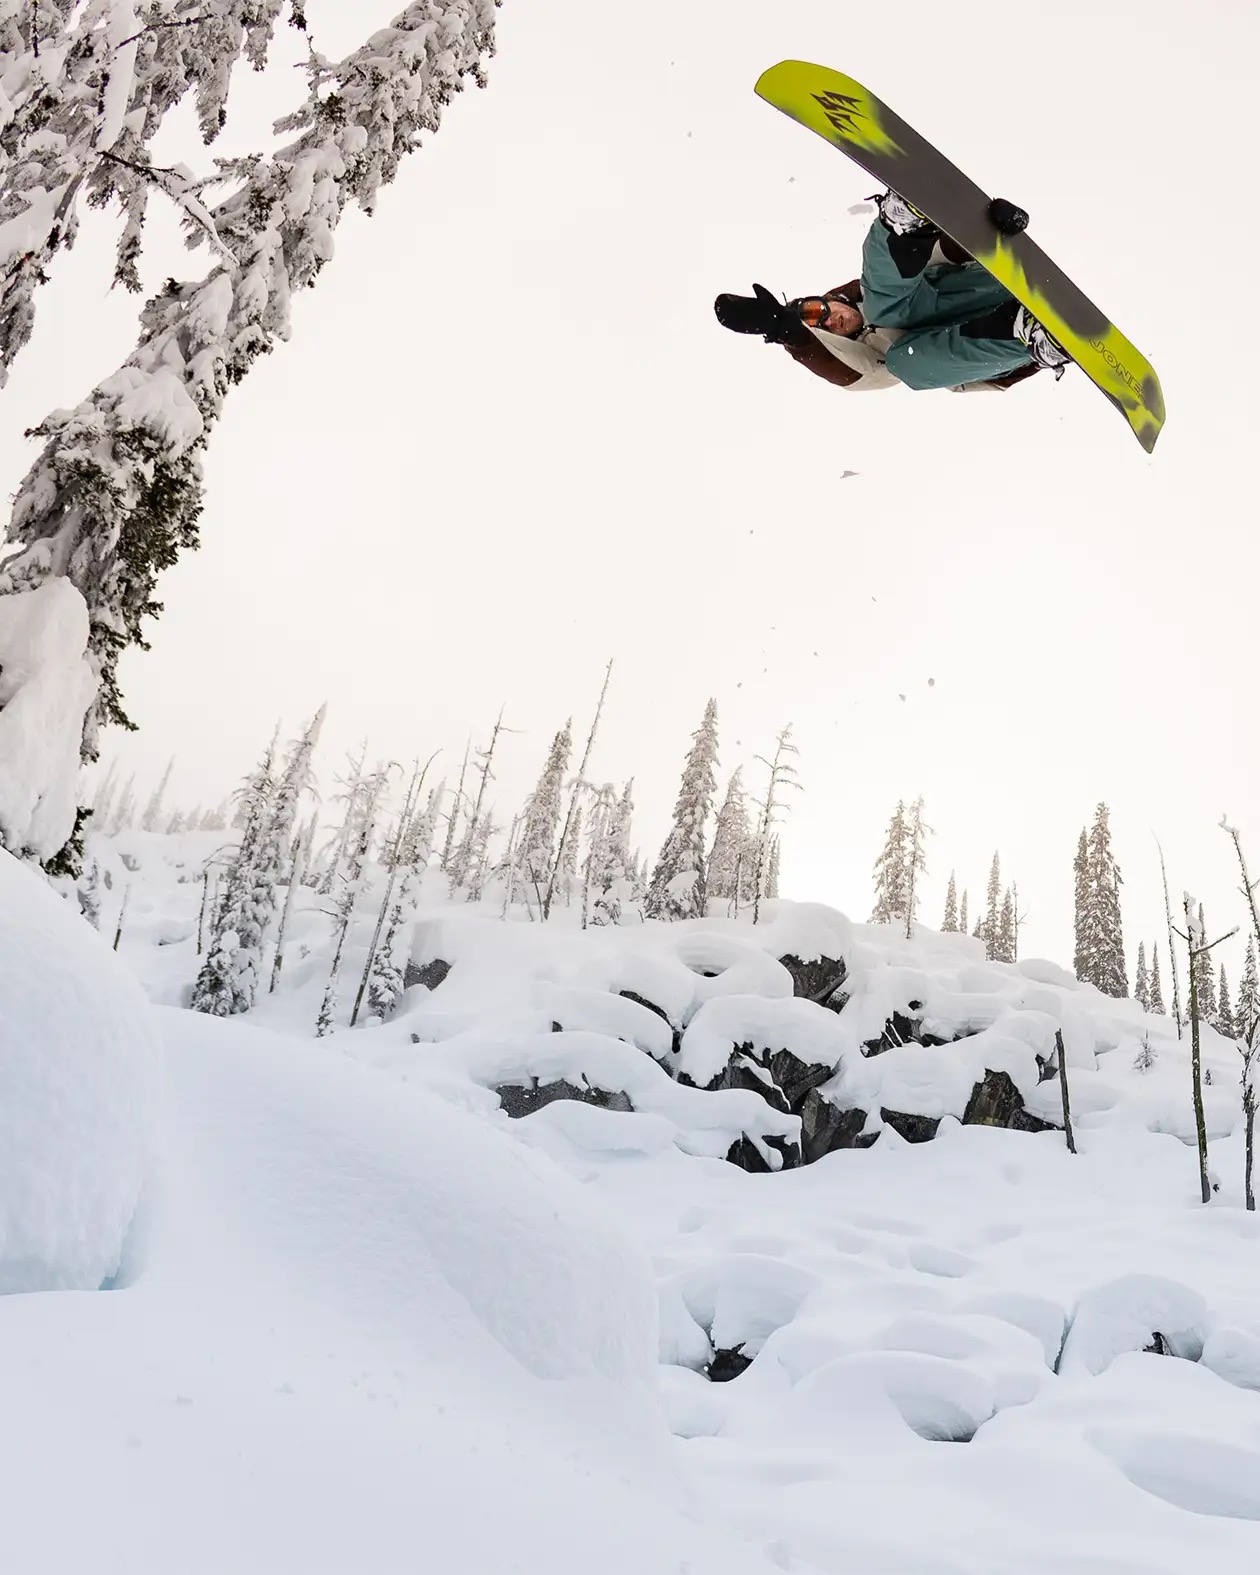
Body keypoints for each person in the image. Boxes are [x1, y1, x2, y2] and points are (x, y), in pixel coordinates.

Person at [715, 189, 1071, 395]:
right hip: (1003, 347)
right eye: (822, 328)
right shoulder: (875, 365)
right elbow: (840, 368)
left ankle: (904, 226)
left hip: (990, 289)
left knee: (888, 301)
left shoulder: (888, 292)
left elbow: (940, 256)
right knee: (905, 362)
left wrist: (989, 233)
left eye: (815, 310)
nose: (831, 321)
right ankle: (1031, 335)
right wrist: (786, 331)